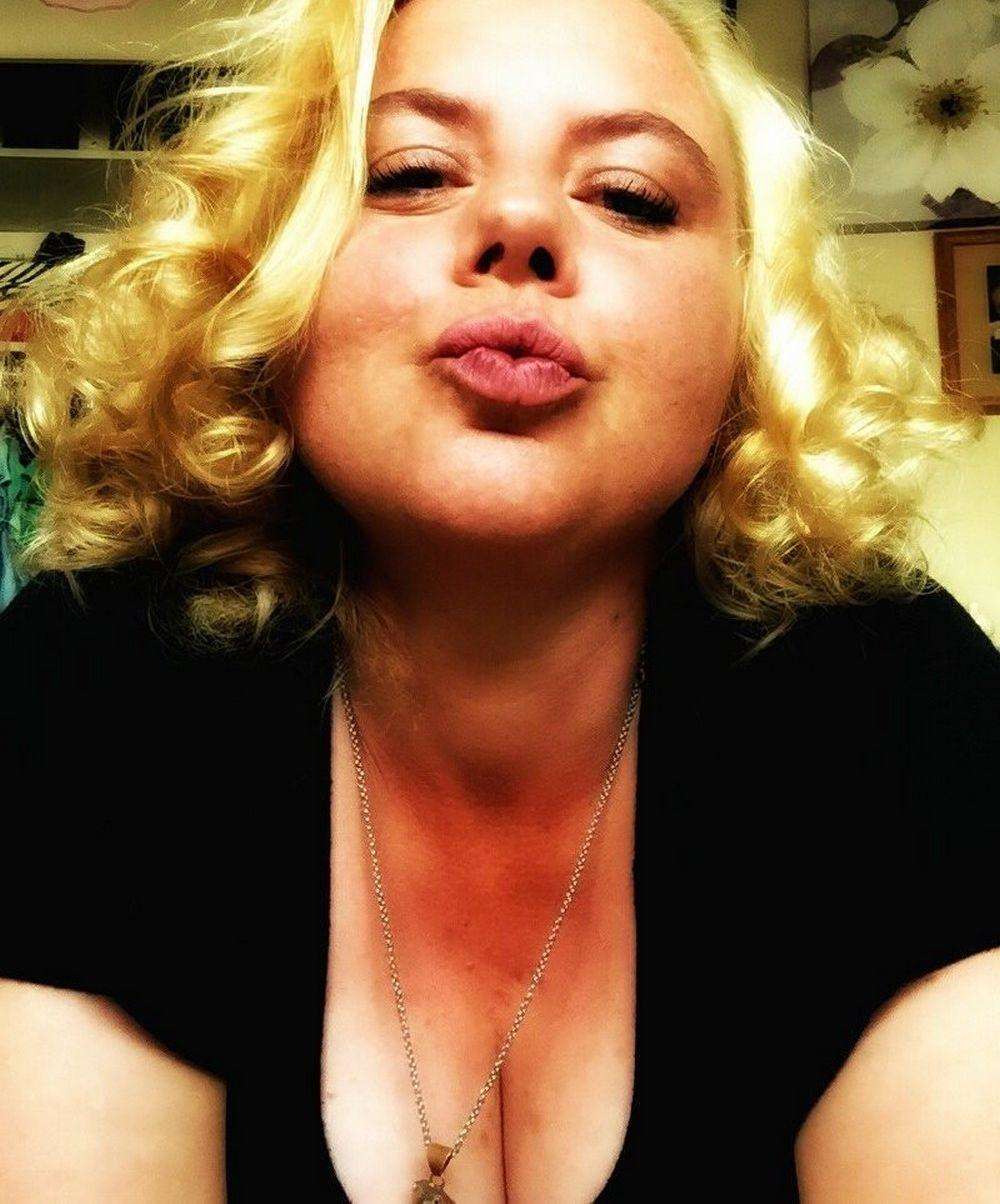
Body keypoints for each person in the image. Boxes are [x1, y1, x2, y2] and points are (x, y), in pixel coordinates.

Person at [1, 0, 998, 1200]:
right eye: (412, 172)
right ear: (270, 273)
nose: (520, 224)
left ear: (745, 324)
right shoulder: (90, 684)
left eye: (631, 195)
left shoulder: (900, 702)